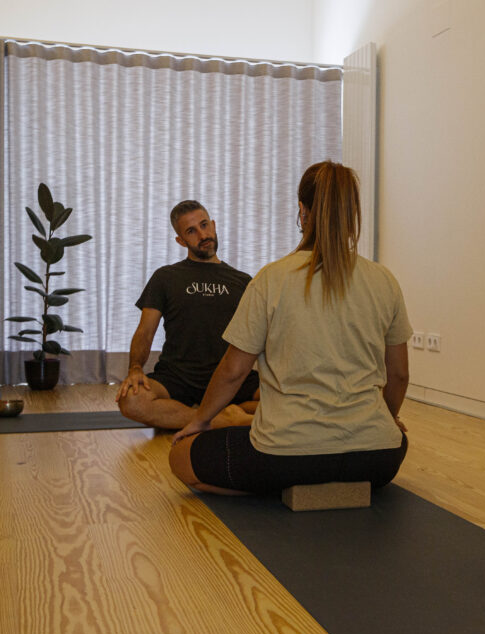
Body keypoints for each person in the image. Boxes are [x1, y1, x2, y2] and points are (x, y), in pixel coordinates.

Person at [169, 161, 412, 495]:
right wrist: (386, 420)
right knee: (398, 438)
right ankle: (334, 482)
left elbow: (233, 370)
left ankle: (284, 486)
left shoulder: (273, 278)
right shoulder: (384, 280)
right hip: (378, 460)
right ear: (353, 211)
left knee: (181, 458)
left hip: (286, 454)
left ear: (302, 210)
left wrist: (199, 421)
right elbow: (399, 375)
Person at [116, 200, 260, 429]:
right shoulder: (165, 277)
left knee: (291, 398)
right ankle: (224, 419)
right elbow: (145, 331)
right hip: (178, 377)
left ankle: (195, 415)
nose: (202, 234)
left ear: (213, 225)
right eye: (191, 231)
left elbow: (260, 336)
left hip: (230, 378)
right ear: (180, 240)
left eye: (204, 225)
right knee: (131, 401)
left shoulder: (243, 281)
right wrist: (135, 369)